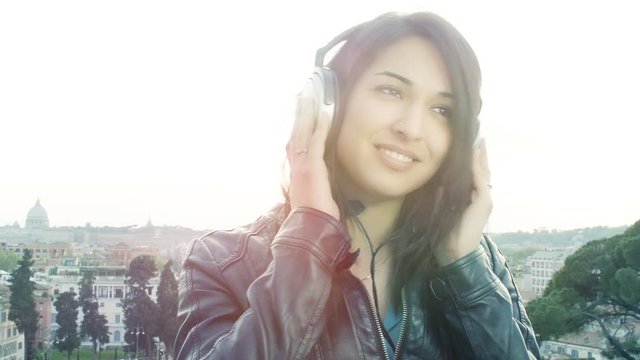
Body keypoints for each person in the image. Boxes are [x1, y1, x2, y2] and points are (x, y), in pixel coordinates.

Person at [174, 11, 541, 360]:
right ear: (325, 103)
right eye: (391, 91)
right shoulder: (224, 262)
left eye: (442, 111)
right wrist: (309, 241)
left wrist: (463, 270)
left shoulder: (478, 262)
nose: (411, 129)